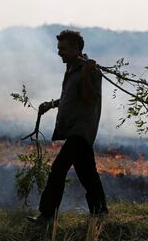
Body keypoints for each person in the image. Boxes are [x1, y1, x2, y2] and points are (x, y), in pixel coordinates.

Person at [27, 30, 108, 225]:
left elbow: (89, 99)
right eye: (58, 49)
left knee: (58, 168)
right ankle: (100, 212)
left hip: (81, 130)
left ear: (76, 48)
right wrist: (50, 104)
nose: (59, 53)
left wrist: (88, 73)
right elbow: (70, 98)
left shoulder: (91, 71)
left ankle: (47, 215)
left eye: (63, 49)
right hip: (74, 130)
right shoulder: (72, 69)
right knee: (87, 173)